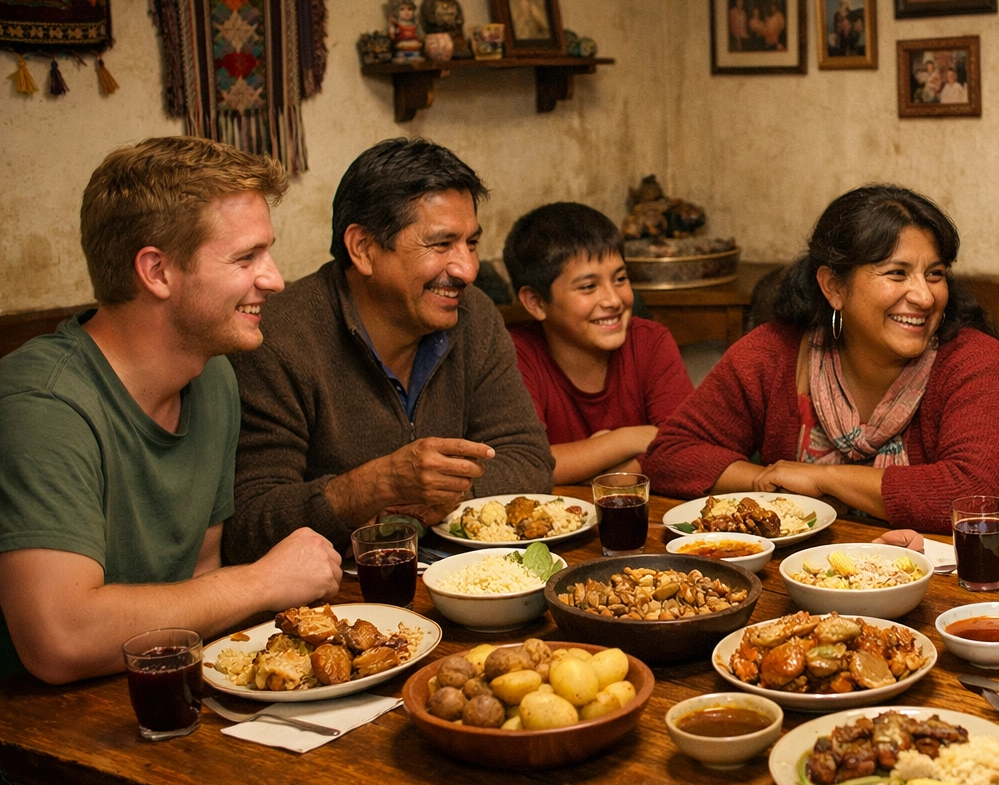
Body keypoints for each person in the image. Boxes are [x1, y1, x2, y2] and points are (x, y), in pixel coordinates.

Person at [0, 137, 341, 685]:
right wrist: (262, 581)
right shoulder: (43, 406)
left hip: (157, 695)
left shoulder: (213, 376)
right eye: (246, 257)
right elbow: (59, 640)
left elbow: (200, 585)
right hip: (33, 726)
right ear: (157, 271)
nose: (274, 279)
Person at [225, 138, 553, 565]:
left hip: (461, 573)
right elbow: (250, 524)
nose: (468, 269)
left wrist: (445, 492)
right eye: (441, 245)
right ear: (363, 248)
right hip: (335, 592)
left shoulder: (473, 315)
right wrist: (374, 486)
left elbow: (529, 457)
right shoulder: (277, 340)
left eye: (471, 243)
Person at [642, 184, 999, 535]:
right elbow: (670, 455)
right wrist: (766, 482)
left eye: (935, 274)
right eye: (897, 273)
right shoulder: (774, 354)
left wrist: (821, 479)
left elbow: (977, 497)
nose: (924, 297)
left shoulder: (975, 362)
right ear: (833, 286)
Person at [503, 202, 693, 484]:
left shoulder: (650, 342)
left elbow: (686, 447)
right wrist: (627, 440)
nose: (613, 300)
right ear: (536, 302)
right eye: (588, 286)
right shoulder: (513, 357)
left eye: (620, 279)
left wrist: (612, 472)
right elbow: (522, 466)